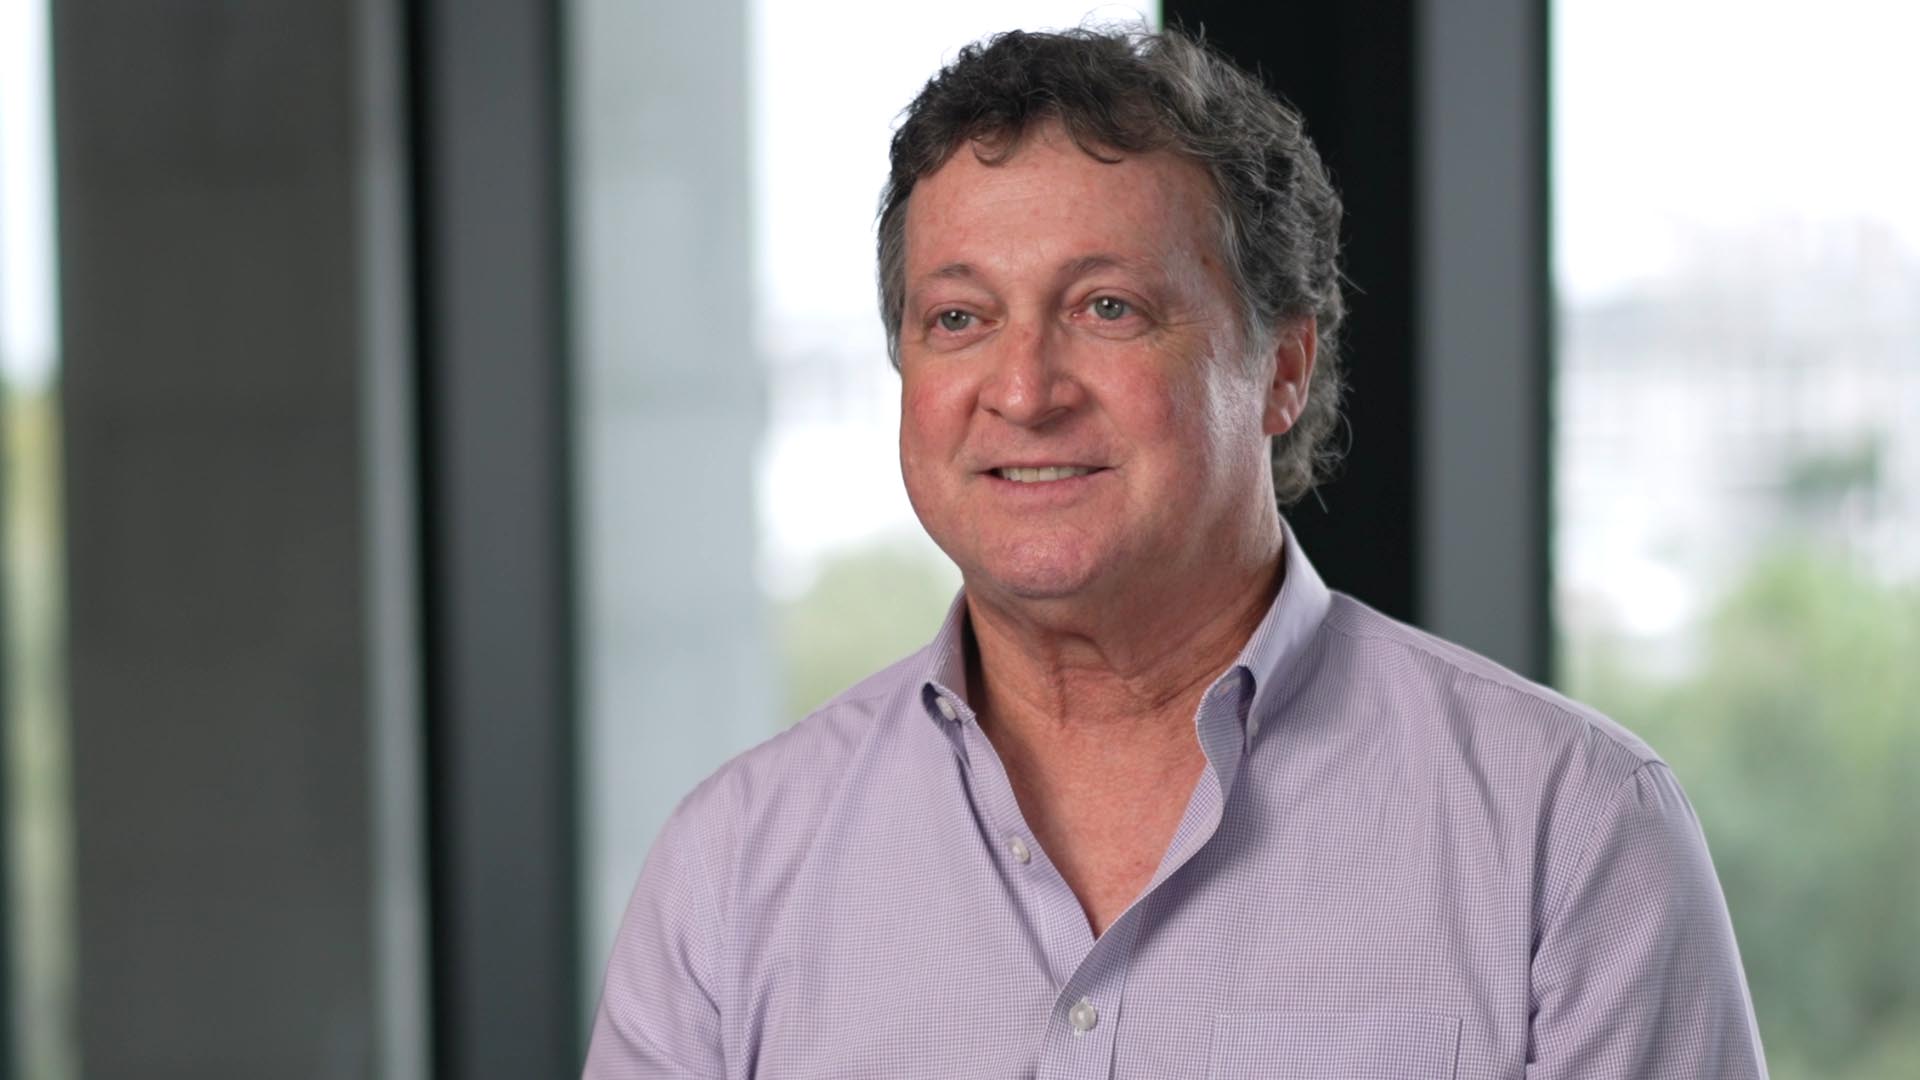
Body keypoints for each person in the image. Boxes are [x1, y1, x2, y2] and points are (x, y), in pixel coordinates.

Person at [583, 25, 1767, 1079]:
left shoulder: (1571, 834)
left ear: (1282, 367)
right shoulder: (732, 869)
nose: (1024, 390)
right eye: (960, 318)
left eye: (1108, 308)